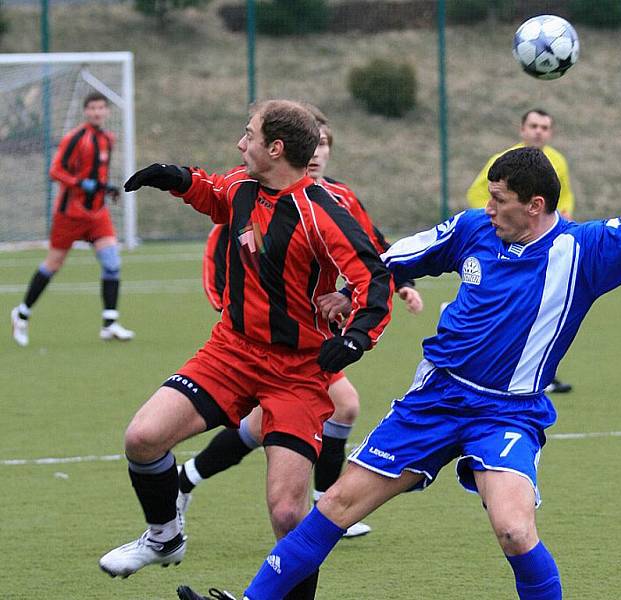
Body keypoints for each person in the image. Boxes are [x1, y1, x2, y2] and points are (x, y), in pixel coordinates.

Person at [175, 143, 621, 600]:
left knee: (512, 527)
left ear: (534, 205)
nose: (487, 208)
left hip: (509, 409)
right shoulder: (475, 229)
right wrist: (350, 288)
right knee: (336, 503)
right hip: (434, 399)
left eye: (499, 201)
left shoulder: (585, 253)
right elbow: (402, 256)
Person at [98, 100, 394, 600]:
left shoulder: (321, 212)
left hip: (298, 372)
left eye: (249, 135)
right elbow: (212, 192)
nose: (241, 144)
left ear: (275, 148)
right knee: (143, 438)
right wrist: (174, 178)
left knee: (286, 514)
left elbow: (374, 279)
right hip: (230, 353)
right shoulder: (240, 186)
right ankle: (164, 538)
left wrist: (357, 336)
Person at [182, 109, 423, 539]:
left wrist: (360, 295)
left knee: (277, 420)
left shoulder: (340, 200)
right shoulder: (254, 192)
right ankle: (322, 501)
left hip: (314, 339)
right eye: (315, 145)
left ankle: (196, 478)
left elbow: (375, 257)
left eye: (325, 146)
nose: (317, 154)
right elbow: (231, 239)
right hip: (272, 341)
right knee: (325, 409)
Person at [10, 92, 133, 346]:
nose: (97, 112)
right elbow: (55, 171)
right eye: (92, 108)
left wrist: (106, 189)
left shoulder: (108, 139)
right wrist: (81, 184)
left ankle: (109, 324)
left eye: (101, 108)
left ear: (107, 111)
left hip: (97, 215)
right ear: (85, 111)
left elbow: (97, 174)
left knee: (112, 262)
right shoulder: (76, 137)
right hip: (70, 214)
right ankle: (21, 314)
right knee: (53, 265)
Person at [466, 108, 574, 393]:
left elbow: (564, 197)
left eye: (545, 127)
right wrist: (498, 218)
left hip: (544, 245)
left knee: (547, 304)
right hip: (506, 241)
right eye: (534, 126)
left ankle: (542, 372)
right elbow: (478, 193)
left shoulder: (557, 161)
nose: (539, 131)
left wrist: (565, 215)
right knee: (503, 304)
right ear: (522, 130)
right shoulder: (503, 163)